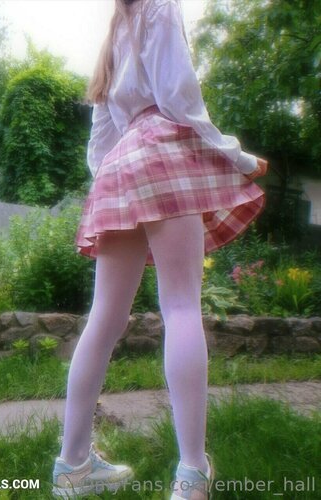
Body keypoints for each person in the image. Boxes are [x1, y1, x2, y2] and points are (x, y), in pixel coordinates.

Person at [52, 0, 268, 498]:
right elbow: (180, 99)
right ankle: (192, 474)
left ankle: (72, 466)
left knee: (103, 319)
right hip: (163, 151)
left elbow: (99, 142)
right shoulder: (159, 5)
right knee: (181, 306)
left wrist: (116, 180)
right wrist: (236, 155)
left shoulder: (116, 30)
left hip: (118, 166)